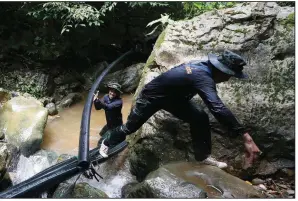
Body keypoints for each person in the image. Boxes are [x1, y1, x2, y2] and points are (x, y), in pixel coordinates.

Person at [99, 50, 261, 169]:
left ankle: (202, 157)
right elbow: (217, 107)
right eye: (229, 74)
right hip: (151, 98)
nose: (227, 79)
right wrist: (245, 136)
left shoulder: (204, 67)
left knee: (199, 116)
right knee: (130, 127)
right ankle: (106, 142)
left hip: (173, 99)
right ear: (221, 70)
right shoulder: (202, 76)